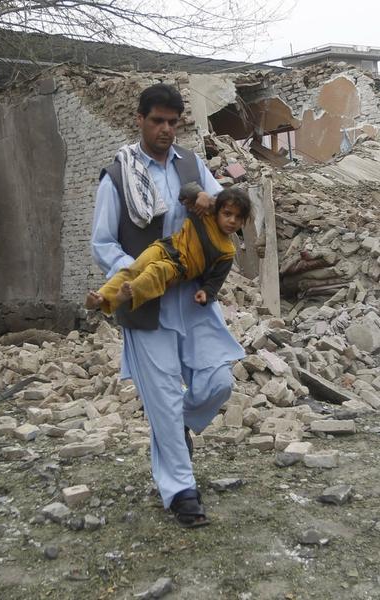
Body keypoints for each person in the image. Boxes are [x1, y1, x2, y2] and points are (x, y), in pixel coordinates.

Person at [90, 83, 244, 528]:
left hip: (193, 299)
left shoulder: (192, 165)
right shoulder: (116, 176)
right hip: (145, 302)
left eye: (172, 122)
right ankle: (181, 491)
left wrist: (213, 204)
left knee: (218, 383)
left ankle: (177, 428)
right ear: (139, 120)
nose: (165, 129)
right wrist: (138, 276)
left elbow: (222, 212)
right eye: (157, 120)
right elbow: (102, 243)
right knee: (161, 398)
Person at [87, 186, 250, 314]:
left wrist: (206, 293)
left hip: (179, 268)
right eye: (227, 214)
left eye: (238, 218)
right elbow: (186, 191)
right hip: (166, 246)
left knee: (156, 271)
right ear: (217, 210)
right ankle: (101, 297)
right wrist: (201, 194)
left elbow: (216, 279)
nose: (232, 221)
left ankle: (129, 294)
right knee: (136, 266)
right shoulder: (204, 214)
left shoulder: (227, 251)